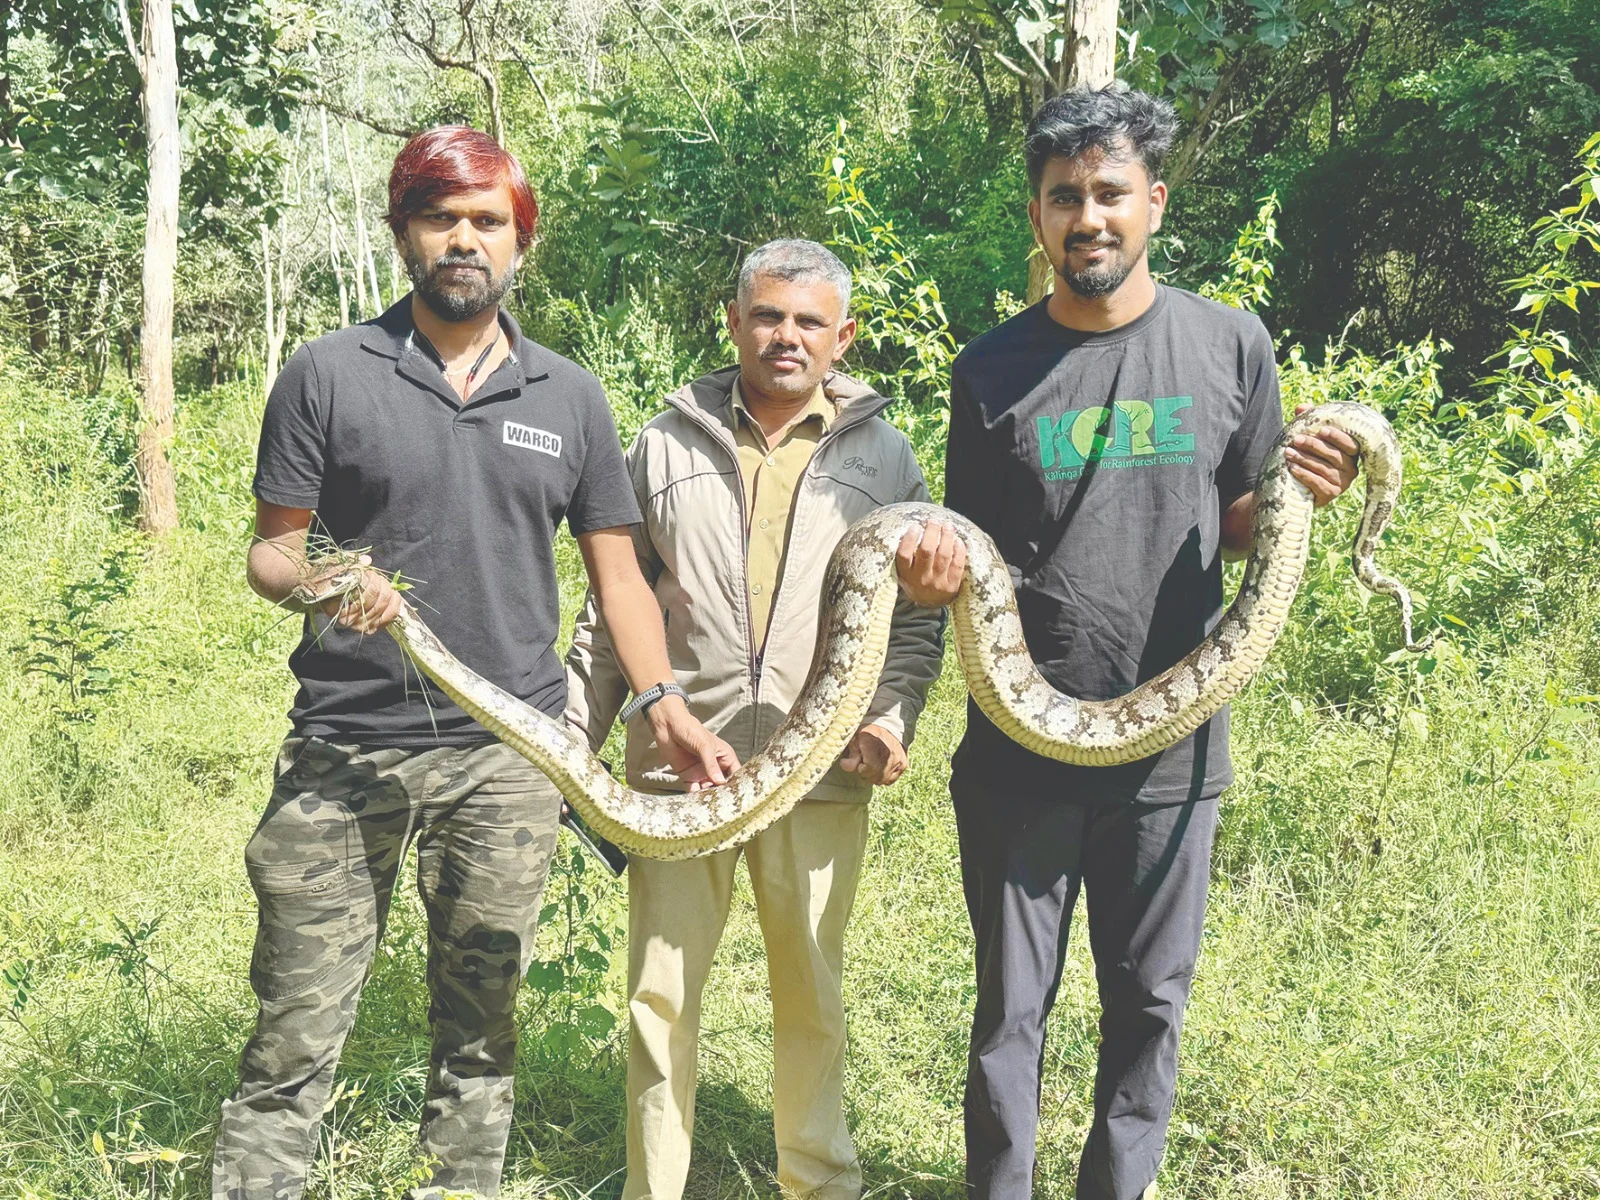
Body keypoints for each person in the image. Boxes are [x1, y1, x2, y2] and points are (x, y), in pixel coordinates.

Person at [214, 125, 735, 1200]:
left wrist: (662, 700)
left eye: (487, 221)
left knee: (482, 1033)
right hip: (345, 750)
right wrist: (321, 582)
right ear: (404, 230)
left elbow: (621, 580)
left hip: (508, 753)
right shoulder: (327, 373)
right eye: (441, 217)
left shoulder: (568, 397)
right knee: (294, 1032)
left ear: (519, 242)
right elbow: (273, 549)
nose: (465, 239)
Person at [895, 88, 1360, 1200]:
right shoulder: (990, 369)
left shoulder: (1229, 343)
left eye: (1110, 193)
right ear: (1037, 217)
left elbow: (1240, 524)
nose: (1088, 216)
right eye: (1065, 198)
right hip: (1019, 745)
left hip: (1174, 750)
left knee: (1150, 1002)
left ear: (1153, 201)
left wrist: (1303, 495)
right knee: (1010, 1008)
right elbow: (980, 560)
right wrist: (934, 577)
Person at [565, 239, 945, 1200]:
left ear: (842, 336)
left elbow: (911, 628)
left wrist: (890, 723)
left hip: (820, 777)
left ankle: (818, 1183)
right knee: (660, 997)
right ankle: (655, 1186)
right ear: (732, 323)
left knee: (811, 995)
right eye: (768, 316)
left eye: (810, 321)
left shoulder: (885, 454)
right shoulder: (661, 443)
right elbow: (615, 613)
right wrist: (571, 744)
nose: (787, 336)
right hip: (678, 774)